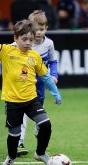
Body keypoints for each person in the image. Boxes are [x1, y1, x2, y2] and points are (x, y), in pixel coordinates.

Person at [0, 16, 62, 165]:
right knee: (14, 135)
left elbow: (45, 76)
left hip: (32, 100)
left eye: (31, 40)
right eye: (24, 39)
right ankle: (11, 158)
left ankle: (40, 153)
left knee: (45, 125)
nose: (28, 43)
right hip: (13, 102)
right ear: (16, 38)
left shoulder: (34, 56)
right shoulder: (6, 51)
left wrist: (55, 93)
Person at [13, 10, 59, 157]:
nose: (38, 32)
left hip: (40, 85)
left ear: (46, 28)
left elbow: (53, 61)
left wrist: (54, 75)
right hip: (24, 85)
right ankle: (19, 142)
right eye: (36, 29)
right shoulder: (23, 43)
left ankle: (39, 137)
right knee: (23, 115)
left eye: (41, 29)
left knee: (40, 113)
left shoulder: (49, 44)